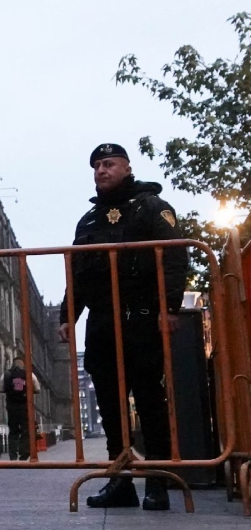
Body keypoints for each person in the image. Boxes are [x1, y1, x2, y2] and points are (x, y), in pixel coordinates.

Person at [58, 143, 186, 510]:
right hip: (102, 323)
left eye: (109, 164)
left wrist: (170, 307)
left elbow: (174, 256)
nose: (102, 170)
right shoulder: (90, 220)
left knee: (149, 401)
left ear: (127, 168)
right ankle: (121, 483)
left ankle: (158, 483)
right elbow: (78, 271)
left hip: (142, 318)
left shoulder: (151, 207)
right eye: (97, 165)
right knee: (111, 408)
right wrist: (68, 315)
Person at [2, 356, 34, 461]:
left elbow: (1, 388)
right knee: (26, 430)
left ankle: (13, 455)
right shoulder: (28, 374)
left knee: (13, 431)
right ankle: (24, 453)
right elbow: (37, 388)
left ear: (13, 363)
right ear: (22, 364)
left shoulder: (6, 374)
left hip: (11, 406)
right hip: (25, 406)